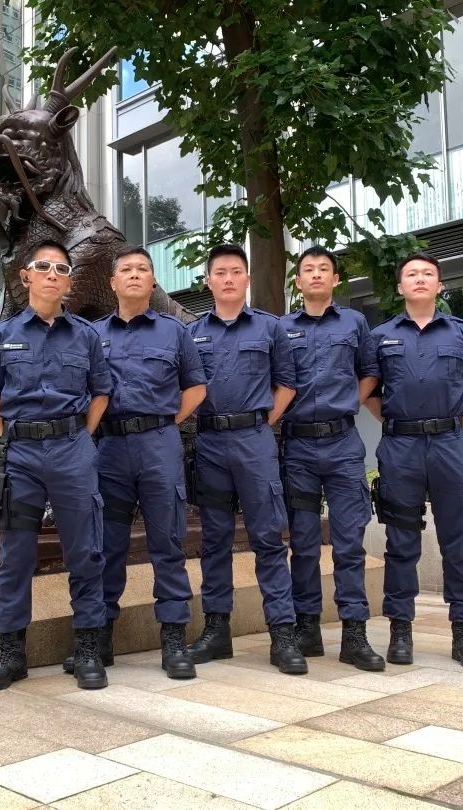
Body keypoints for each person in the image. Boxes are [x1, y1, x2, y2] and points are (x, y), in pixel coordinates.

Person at [61, 245, 207, 680]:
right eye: (126, 269)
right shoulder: (92, 334)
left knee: (168, 542)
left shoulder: (174, 331)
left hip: (159, 444)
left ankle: (174, 640)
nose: (135, 274)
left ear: (153, 280)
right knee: (105, 546)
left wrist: (164, 423)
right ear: (112, 282)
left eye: (143, 268)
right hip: (109, 448)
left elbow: (196, 388)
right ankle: (100, 637)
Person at [0, 239, 113, 691]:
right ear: (26, 276)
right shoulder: (2, 335)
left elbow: (101, 392)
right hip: (21, 456)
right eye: (43, 266)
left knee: (85, 550)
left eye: (61, 269)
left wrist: (81, 435)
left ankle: (88, 648)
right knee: (16, 554)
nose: (53, 274)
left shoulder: (85, 336)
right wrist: (10, 434)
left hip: (73, 450)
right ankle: (11, 654)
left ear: (69, 282)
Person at [366, 252, 463, 669]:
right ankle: (400, 631)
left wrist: (452, 424)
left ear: (439, 286)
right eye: (411, 274)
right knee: (400, 544)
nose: (419, 279)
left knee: (458, 543)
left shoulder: (462, 333)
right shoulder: (380, 336)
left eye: (427, 274)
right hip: (400, 449)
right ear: (400, 287)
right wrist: (400, 423)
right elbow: (369, 393)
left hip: (449, 448)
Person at [185, 244, 307, 675]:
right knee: (215, 540)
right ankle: (216, 631)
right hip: (210, 443)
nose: (229, 279)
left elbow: (287, 384)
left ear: (247, 279)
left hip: (254, 441)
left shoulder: (270, 327)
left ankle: (283, 635)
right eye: (220, 272)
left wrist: (260, 423)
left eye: (236, 271)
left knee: (268, 538)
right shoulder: (192, 333)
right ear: (209, 281)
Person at [278, 246, 386, 671]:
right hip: (298, 448)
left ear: (336, 279)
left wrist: (348, 402)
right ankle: (306, 628)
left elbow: (371, 371)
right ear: (298, 281)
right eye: (308, 269)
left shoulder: (354, 322)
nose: (317, 275)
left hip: (342, 446)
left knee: (348, 543)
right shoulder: (282, 328)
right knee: (303, 544)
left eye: (324, 269)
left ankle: (354, 634)